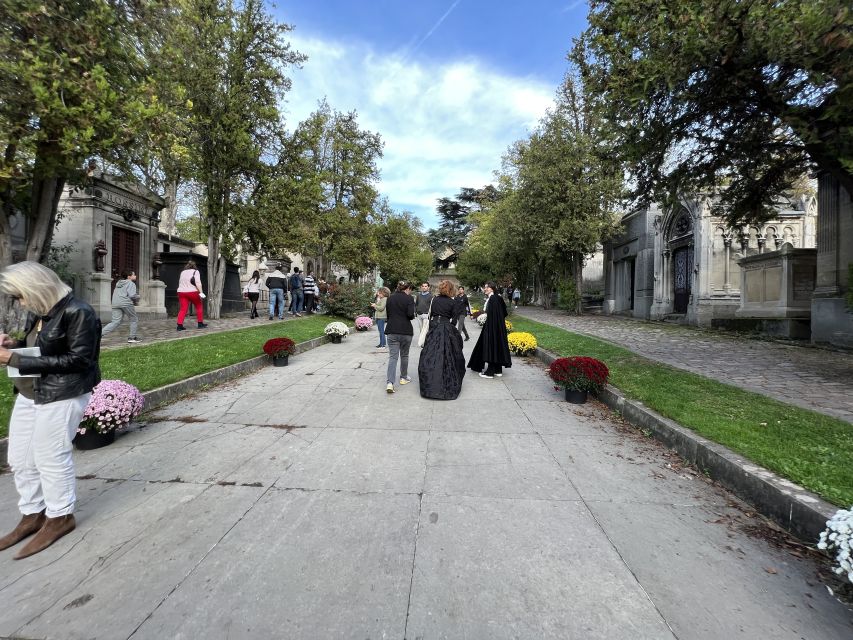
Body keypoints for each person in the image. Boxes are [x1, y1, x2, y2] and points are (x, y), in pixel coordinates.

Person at [0, 261, 101, 559]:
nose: (20, 302)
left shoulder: (79, 312)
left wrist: (13, 360)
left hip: (63, 394)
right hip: (31, 392)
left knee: (50, 456)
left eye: (21, 295)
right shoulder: (42, 312)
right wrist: (14, 345)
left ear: (36, 288)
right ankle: (32, 514)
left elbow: (79, 361)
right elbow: (41, 348)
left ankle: (59, 516)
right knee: (19, 457)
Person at [418, 280, 466, 400]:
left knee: (430, 354)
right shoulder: (452, 302)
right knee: (447, 355)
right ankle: (443, 382)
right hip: (446, 328)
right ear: (451, 290)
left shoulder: (434, 300)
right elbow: (454, 320)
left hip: (434, 327)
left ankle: (430, 384)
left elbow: (432, 314)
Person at [467, 281, 512, 378]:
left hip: (492, 327)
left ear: (491, 288)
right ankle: (498, 370)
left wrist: (491, 323)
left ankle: (490, 372)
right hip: (499, 326)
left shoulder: (492, 299)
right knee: (497, 345)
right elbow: (504, 312)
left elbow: (492, 314)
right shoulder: (498, 298)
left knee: (491, 346)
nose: (485, 289)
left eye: (486, 287)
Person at [384, 281, 416, 393]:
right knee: (404, 355)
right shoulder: (409, 299)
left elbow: (388, 314)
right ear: (407, 289)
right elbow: (410, 315)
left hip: (392, 330)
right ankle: (403, 377)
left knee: (393, 357)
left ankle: (390, 383)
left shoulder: (390, 298)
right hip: (406, 331)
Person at [101, 269, 141, 343]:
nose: (135, 276)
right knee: (134, 319)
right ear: (129, 277)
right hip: (126, 303)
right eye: (134, 274)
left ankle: (99, 334)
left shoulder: (118, 283)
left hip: (115, 303)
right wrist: (138, 296)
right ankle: (132, 338)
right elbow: (132, 295)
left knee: (115, 322)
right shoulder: (131, 283)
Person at [176, 260, 207, 331]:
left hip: (181, 292)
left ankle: (179, 326)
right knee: (199, 306)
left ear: (187, 266)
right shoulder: (196, 272)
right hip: (193, 292)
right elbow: (198, 283)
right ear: (194, 266)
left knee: (183, 309)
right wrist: (201, 293)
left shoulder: (182, 272)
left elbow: (180, 282)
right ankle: (200, 324)